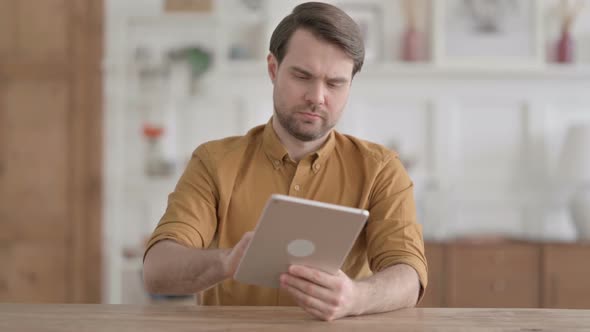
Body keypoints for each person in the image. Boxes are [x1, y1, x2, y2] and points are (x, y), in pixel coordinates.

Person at [143, 1, 427, 321]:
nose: (317, 96)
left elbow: (408, 274)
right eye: (303, 76)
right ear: (273, 69)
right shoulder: (213, 162)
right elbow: (156, 270)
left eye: (335, 83)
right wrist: (225, 262)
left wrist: (356, 298)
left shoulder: (382, 170)